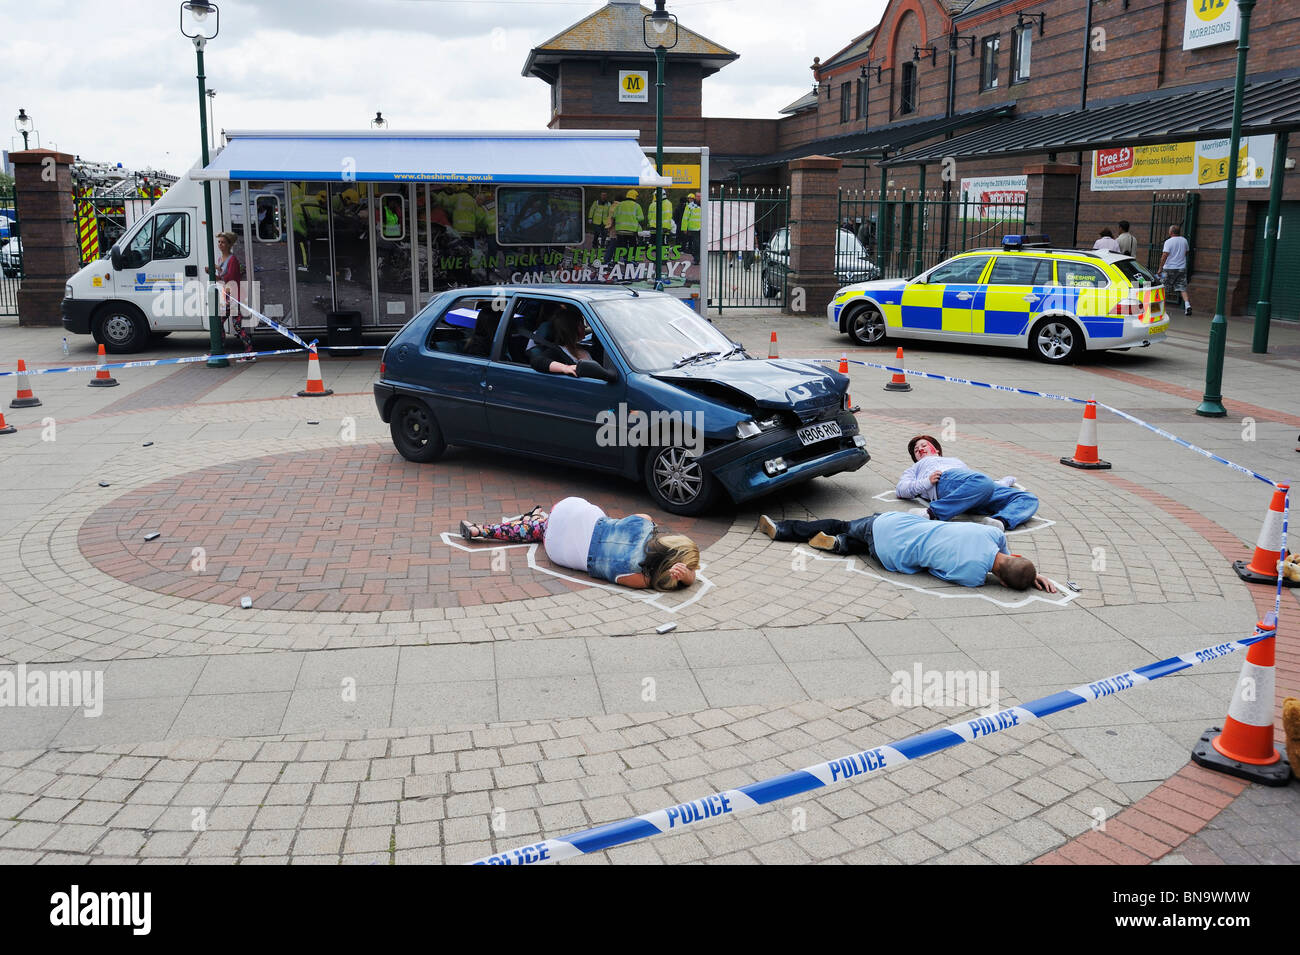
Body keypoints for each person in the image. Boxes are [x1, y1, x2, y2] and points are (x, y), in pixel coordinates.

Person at [756, 511, 1057, 592]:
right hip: (890, 555)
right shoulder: (973, 578)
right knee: (876, 548)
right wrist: (1024, 578)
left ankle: (783, 529)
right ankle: (841, 545)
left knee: (843, 524)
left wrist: (1028, 570)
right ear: (1000, 582)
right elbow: (933, 570)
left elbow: (1003, 548)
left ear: (1017, 556)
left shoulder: (992, 533)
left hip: (890, 524)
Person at [460, 497, 700, 591]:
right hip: (557, 550)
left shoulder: (645, 522)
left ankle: (520, 521)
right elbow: (660, 583)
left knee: (550, 522)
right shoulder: (639, 578)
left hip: (568, 509)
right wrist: (686, 578)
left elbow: (635, 523)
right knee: (545, 529)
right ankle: (523, 522)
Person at [896, 435, 1038, 530]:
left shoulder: (955, 460)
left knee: (1028, 498)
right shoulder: (916, 467)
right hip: (945, 480)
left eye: (924, 445)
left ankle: (1000, 521)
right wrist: (926, 482)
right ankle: (933, 513)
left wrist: (1001, 484)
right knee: (982, 480)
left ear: (937, 450)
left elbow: (978, 485)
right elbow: (901, 490)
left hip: (975, 490)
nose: (920, 449)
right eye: (916, 450)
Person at [215, 231, 254, 362]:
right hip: (227, 295)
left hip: (234, 296)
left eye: (223, 242)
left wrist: (218, 270)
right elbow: (222, 279)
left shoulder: (232, 260)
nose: (220, 244)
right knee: (224, 323)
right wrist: (213, 274)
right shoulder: (220, 259)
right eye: (219, 242)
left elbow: (230, 278)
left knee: (235, 325)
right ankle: (220, 350)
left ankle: (249, 352)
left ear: (229, 245)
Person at [527, 304, 591, 376]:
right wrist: (565, 368)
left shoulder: (583, 348)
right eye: (581, 324)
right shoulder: (558, 351)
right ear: (571, 329)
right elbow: (537, 361)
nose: (584, 327)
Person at [1158, 224, 1192, 316]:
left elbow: (1164, 255)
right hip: (1181, 268)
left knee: (1163, 288)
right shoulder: (1184, 240)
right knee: (1182, 288)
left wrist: (1160, 268)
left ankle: (1162, 309)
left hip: (1168, 269)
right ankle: (1187, 305)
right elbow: (1186, 252)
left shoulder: (1168, 242)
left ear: (1171, 232)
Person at [604, 189, 645, 265]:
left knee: (621, 246)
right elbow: (641, 218)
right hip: (631, 231)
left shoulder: (619, 205)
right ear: (634, 196)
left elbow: (614, 216)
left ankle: (616, 260)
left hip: (620, 231)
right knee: (632, 246)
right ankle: (630, 261)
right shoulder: (637, 206)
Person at [680, 193, 702, 260]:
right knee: (696, 244)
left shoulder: (705, 205)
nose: (699, 197)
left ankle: (698, 257)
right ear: (695, 197)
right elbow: (685, 217)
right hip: (693, 228)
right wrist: (684, 228)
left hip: (703, 228)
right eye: (698, 196)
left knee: (699, 244)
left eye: (700, 196)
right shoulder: (690, 206)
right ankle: (696, 258)